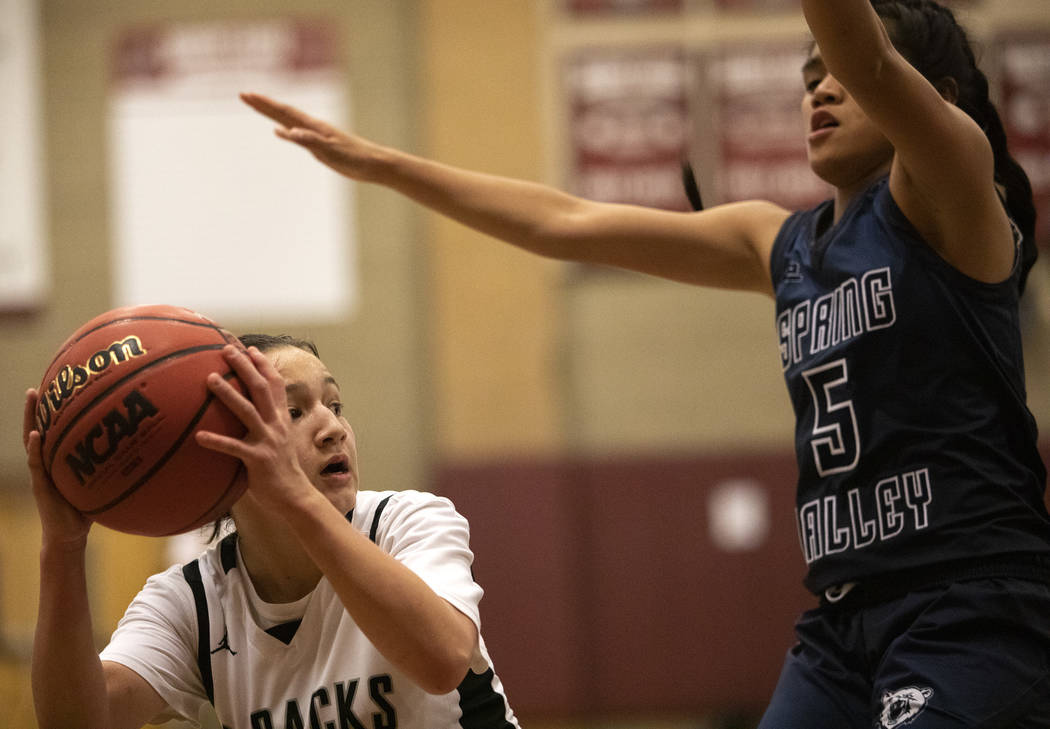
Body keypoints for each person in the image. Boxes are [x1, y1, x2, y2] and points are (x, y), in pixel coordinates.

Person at [240, 0, 1050, 727]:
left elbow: (868, 56)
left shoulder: (953, 189)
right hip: (843, 617)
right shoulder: (781, 243)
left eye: (838, 72)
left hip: (971, 602)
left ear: (933, 96)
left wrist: (862, 54)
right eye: (809, 77)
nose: (823, 90)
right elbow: (565, 221)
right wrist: (382, 166)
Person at [24, 334, 520, 729]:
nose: (333, 428)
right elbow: (80, 720)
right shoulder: (190, 602)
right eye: (295, 413)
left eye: (335, 405)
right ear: (222, 454)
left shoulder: (406, 522)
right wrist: (62, 549)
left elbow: (441, 661)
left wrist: (293, 494)